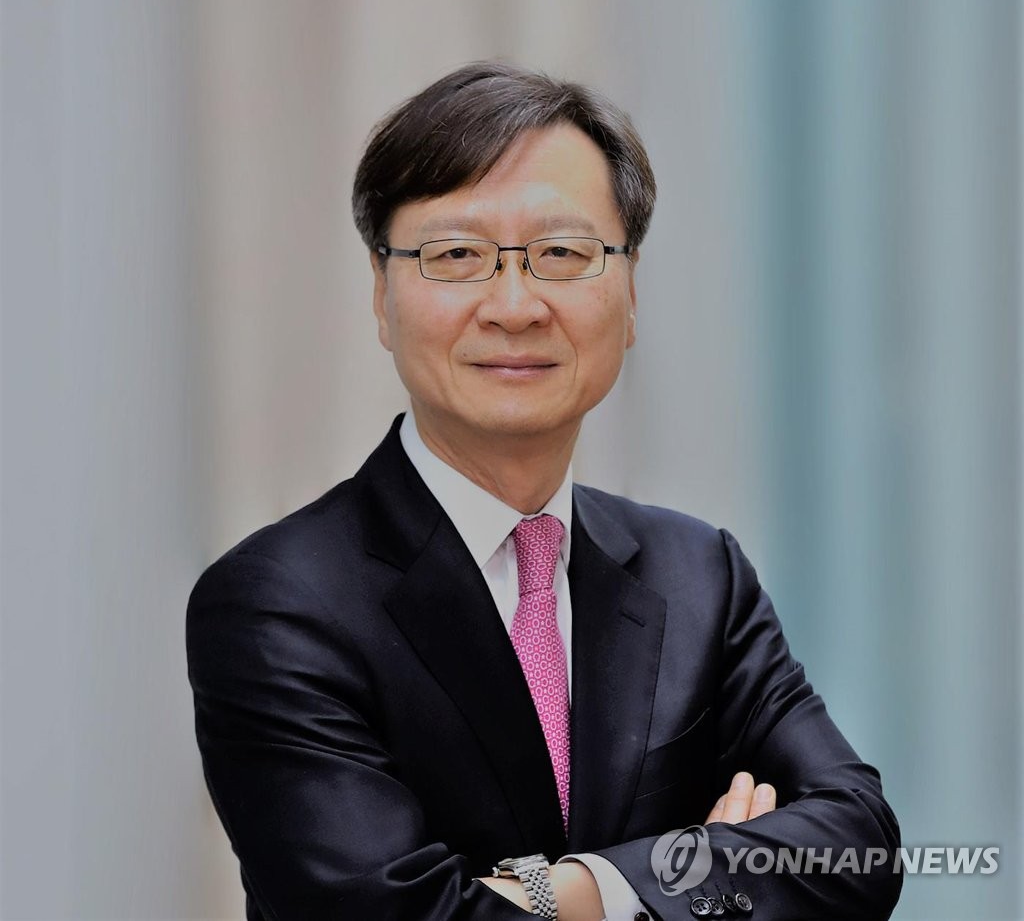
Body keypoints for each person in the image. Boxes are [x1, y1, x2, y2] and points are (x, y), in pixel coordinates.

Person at [186, 62, 901, 921]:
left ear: (630, 293)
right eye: (457, 255)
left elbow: (859, 843)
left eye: (562, 253)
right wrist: (693, 878)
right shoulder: (279, 604)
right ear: (381, 293)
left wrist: (585, 888)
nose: (515, 305)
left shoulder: (698, 576)